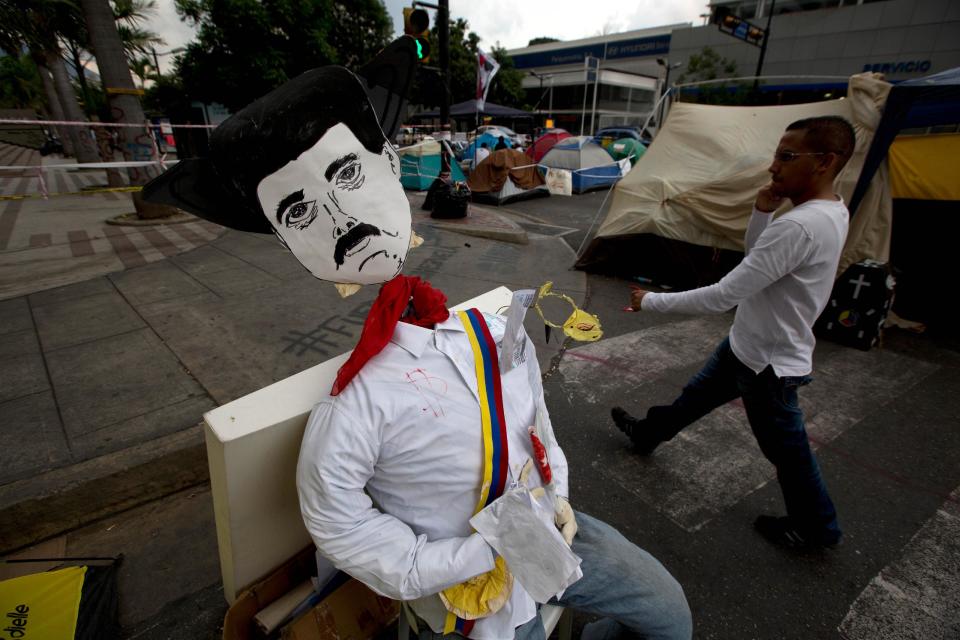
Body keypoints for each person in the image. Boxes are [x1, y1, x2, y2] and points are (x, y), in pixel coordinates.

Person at [144, 62, 692, 640]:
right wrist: (466, 560)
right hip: (467, 598)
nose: (340, 219)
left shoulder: (491, 328)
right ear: (286, 239)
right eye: (301, 211)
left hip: (552, 531)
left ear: (387, 163)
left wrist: (555, 491)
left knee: (667, 613)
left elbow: (538, 421)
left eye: (347, 174)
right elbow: (339, 524)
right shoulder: (353, 406)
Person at [612, 115, 856, 551]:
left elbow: (725, 294)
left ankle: (819, 529)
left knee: (788, 452)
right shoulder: (829, 211)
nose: (773, 167)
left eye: (787, 156)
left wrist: (650, 301)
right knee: (692, 399)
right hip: (749, 346)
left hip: (769, 364)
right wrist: (762, 212)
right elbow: (759, 263)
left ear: (824, 162)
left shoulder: (801, 225)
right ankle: (646, 434)